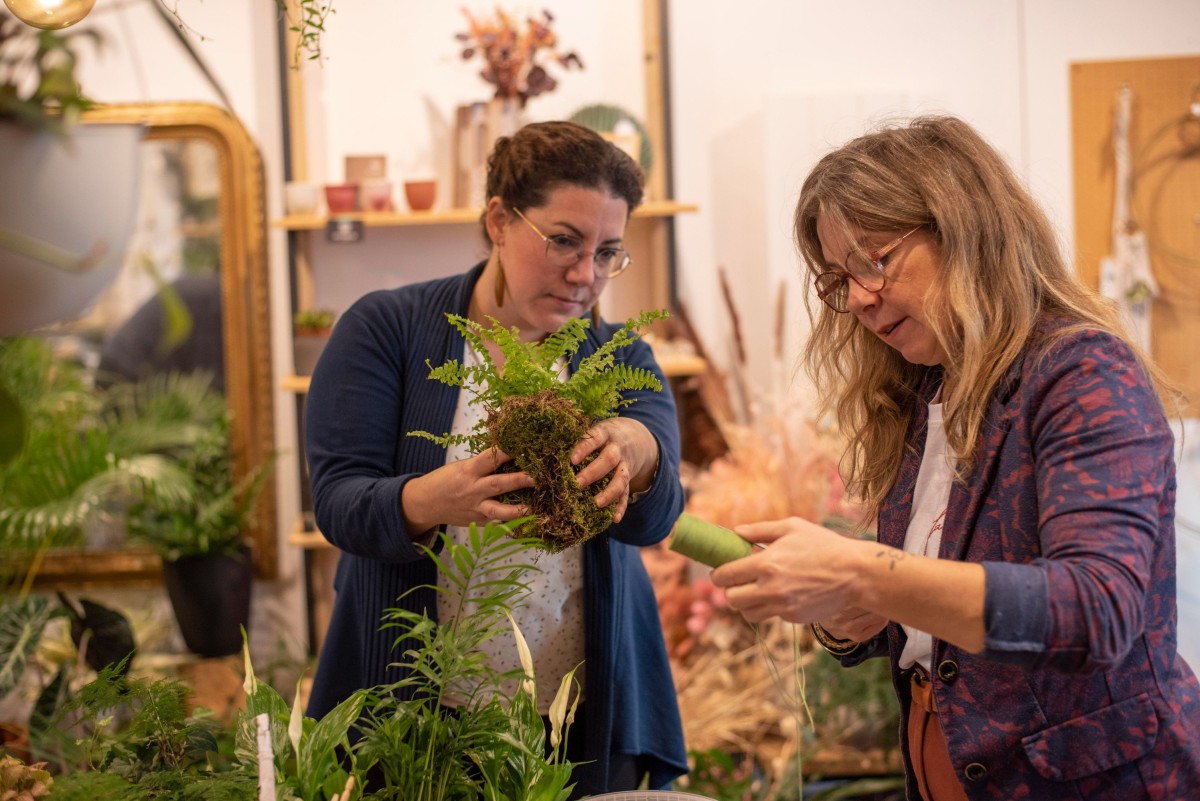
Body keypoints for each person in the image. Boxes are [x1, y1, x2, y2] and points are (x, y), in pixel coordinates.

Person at [709, 115, 1200, 801]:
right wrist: (856, 607)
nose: (857, 299)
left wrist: (866, 570)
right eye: (838, 280)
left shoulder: (1082, 372)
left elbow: (1096, 609)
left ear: (964, 228)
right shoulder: (922, 393)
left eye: (875, 261)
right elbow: (932, 612)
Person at [303, 120, 688, 796]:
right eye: (564, 240)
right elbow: (337, 501)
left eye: (607, 252)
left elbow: (656, 513)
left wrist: (637, 445)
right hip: (419, 709)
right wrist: (432, 499)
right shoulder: (387, 330)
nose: (585, 274)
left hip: (578, 713)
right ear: (499, 220)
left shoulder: (617, 354)